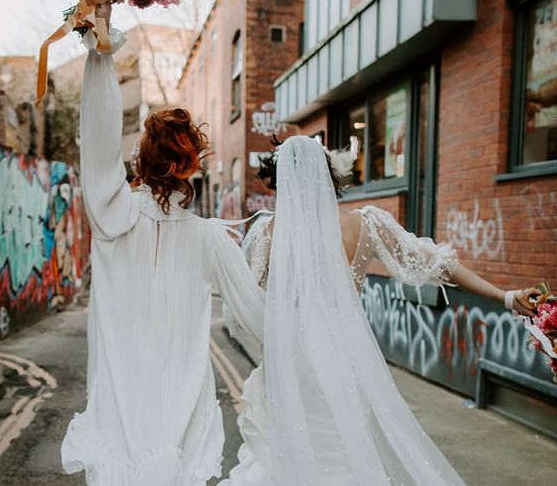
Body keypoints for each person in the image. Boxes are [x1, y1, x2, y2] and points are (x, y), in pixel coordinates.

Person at [223, 135, 537, 486]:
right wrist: (505, 296)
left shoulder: (269, 231)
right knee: (346, 455)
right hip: (346, 359)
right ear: (329, 176)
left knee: (286, 461)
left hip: (292, 367)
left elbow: (244, 307)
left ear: (281, 181)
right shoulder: (366, 223)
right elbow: (435, 263)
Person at [61, 12, 264, 486]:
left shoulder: (113, 217)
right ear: (191, 169)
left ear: (143, 159)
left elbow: (98, 144)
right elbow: (259, 318)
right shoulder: (210, 238)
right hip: (179, 423)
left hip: (120, 416)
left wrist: (101, 56)